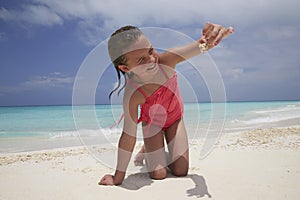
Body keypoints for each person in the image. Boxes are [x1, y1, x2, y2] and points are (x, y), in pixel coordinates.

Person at [99, 22, 234, 185]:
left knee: (180, 171)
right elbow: (128, 135)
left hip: (174, 120)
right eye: (142, 59)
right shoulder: (132, 94)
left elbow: (200, 47)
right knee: (158, 174)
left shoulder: (168, 61)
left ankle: (153, 148)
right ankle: (147, 150)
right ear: (126, 68)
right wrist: (117, 177)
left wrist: (210, 39)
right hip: (152, 124)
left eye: (150, 50)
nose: (152, 59)